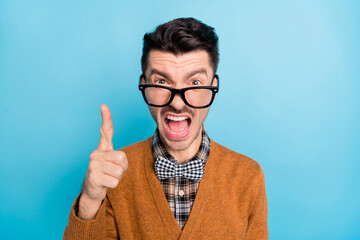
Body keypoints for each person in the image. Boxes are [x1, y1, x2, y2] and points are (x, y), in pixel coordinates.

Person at [64, 17, 268, 239]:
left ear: (213, 87)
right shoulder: (113, 175)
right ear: (145, 86)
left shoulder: (249, 176)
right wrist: (90, 200)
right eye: (161, 82)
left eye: (195, 83)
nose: (178, 103)